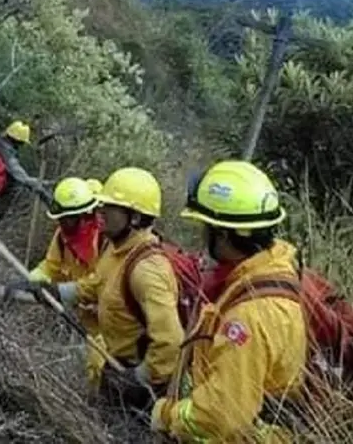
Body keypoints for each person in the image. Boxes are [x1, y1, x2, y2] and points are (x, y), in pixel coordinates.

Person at [151, 161, 306, 443]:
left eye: (206, 229)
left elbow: (218, 418)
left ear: (222, 235)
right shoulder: (270, 272)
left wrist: (168, 415)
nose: (202, 237)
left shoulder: (248, 315)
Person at [15, 167, 183, 409]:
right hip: (115, 365)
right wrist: (53, 292)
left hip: (140, 386)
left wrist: (139, 378)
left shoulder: (147, 270)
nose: (100, 213)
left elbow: (171, 341)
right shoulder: (116, 252)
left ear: (134, 217)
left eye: (110, 208)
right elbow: (93, 286)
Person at [25, 177, 108, 333]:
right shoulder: (63, 238)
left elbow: (104, 283)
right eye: (60, 219)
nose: (62, 225)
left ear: (85, 216)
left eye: (68, 219)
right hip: (86, 323)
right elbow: (51, 266)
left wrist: (62, 292)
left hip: (111, 326)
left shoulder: (105, 240)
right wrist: (33, 279)